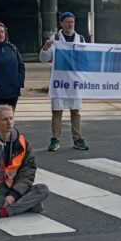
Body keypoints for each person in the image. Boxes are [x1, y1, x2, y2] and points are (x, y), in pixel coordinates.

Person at [0, 104, 49, 222]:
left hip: (15, 188)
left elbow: (28, 171)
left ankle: (1, 213)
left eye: (11, 118)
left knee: (42, 190)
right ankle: (26, 205)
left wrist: (14, 195)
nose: (9, 122)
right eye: (4, 119)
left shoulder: (23, 143)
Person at [39, 12, 89, 151]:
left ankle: (77, 139)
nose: (70, 24)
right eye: (67, 22)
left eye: (72, 22)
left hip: (74, 81)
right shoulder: (55, 38)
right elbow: (44, 58)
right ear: (61, 23)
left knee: (75, 111)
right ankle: (55, 139)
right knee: (57, 111)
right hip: (59, 81)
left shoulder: (80, 38)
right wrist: (46, 48)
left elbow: (85, 58)